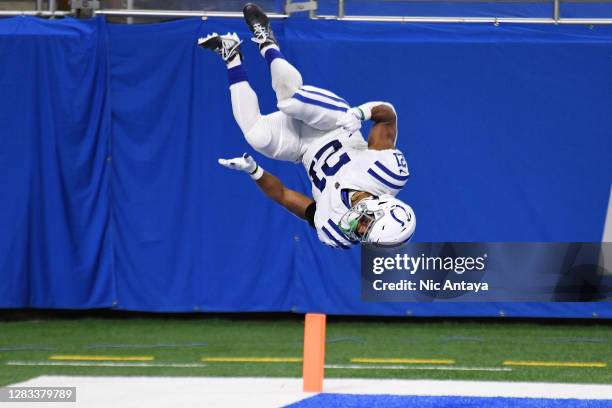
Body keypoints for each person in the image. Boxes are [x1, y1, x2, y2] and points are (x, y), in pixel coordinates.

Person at [198, 3, 415, 249]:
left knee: (257, 136)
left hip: (302, 148)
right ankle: (266, 40)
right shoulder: (387, 174)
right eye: (366, 225)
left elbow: (284, 196)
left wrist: (254, 171)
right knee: (290, 101)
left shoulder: (334, 228)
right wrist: (361, 113)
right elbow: (388, 116)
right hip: (335, 123)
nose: (357, 229)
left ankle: (231, 56)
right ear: (383, 207)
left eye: (363, 234)